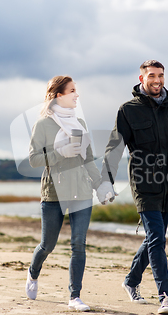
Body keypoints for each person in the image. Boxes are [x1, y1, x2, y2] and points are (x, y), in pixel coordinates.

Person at [96, 60, 168, 314]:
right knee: (157, 239)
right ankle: (166, 297)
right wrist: (105, 181)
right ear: (142, 78)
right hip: (143, 181)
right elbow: (115, 146)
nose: (157, 81)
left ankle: (131, 281)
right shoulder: (128, 110)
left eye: (161, 76)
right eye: (152, 76)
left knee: (155, 238)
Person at [26, 75, 101, 312]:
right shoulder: (43, 125)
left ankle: (74, 296)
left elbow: (88, 158)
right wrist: (62, 152)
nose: (77, 95)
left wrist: (101, 185)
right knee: (48, 245)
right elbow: (33, 159)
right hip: (54, 192)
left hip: (82, 191)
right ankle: (32, 273)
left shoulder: (80, 123)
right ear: (59, 95)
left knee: (78, 244)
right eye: (72, 91)